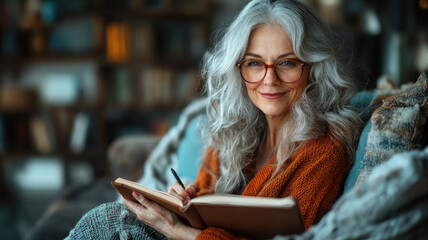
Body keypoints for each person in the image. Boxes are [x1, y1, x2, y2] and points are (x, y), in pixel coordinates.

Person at [66, 0, 362, 239]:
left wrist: (173, 228)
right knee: (107, 219)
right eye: (255, 63)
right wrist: (186, 202)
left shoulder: (325, 151)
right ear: (238, 70)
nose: (269, 79)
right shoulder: (237, 130)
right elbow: (206, 205)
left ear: (313, 67)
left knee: (109, 222)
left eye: (287, 63)